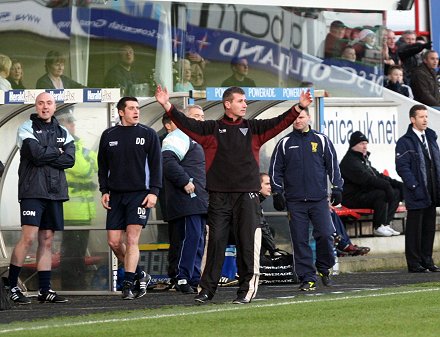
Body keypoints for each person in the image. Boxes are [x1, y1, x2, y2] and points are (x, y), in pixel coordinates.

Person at [155, 85, 312, 304]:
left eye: (245, 101)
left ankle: (245, 290)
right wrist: (166, 104)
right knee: (215, 243)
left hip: (247, 196)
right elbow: (186, 123)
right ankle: (207, 290)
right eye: (240, 101)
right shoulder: (211, 129)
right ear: (227, 104)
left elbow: (280, 121)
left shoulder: (254, 128)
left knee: (247, 244)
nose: (245, 104)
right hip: (218, 196)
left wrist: (299, 107)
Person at [8, 92, 75, 304]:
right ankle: (11, 287)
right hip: (32, 191)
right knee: (28, 238)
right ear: (36, 106)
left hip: (55, 192)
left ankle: (44, 291)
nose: (45, 107)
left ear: (55, 107)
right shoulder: (26, 128)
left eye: (49, 103)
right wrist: (57, 150)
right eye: (41, 103)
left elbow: (70, 159)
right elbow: (34, 154)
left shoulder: (64, 131)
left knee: (47, 240)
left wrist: (49, 153)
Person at [269, 107, 343, 291]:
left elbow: (333, 165)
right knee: (299, 240)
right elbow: (275, 171)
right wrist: (277, 193)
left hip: (318, 199)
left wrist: (337, 187)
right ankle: (307, 278)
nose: (298, 121)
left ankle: (324, 267)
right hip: (294, 202)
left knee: (326, 235)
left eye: (301, 117)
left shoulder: (321, 140)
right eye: (295, 118)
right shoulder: (284, 143)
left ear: (309, 117)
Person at [97, 96, 162, 299]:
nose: (136, 111)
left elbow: (156, 165)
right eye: (131, 108)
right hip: (116, 195)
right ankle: (140, 275)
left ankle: (127, 285)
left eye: (137, 108)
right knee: (114, 242)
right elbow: (103, 166)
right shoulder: (108, 135)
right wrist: (104, 190)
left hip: (139, 195)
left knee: (132, 239)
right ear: (121, 112)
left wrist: (154, 192)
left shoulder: (148, 134)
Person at [161, 106, 208, 294]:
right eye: (196, 116)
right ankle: (182, 277)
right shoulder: (179, 135)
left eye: (203, 116)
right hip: (186, 198)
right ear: (184, 119)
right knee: (189, 237)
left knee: (198, 239)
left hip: (200, 199)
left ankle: (194, 277)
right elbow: (167, 161)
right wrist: (185, 182)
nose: (201, 120)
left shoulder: (200, 139)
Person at [395, 104, 440, 273]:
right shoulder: (404, 142)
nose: (425, 120)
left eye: (426, 116)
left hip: (432, 191)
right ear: (412, 119)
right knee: (415, 230)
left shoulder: (431, 137)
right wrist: (414, 186)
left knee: (429, 228)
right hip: (416, 192)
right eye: (421, 117)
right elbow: (402, 168)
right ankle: (414, 263)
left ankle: (427, 260)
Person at [57, 112, 98, 290]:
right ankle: (72, 285)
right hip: (71, 210)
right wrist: (87, 162)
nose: (73, 125)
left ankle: (78, 283)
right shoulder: (62, 145)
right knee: (72, 252)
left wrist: (87, 162)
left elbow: (98, 163)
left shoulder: (77, 143)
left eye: (73, 122)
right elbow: (82, 168)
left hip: (84, 209)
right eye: (69, 122)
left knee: (79, 251)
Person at [339, 131, 403, 237]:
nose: (365, 147)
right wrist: (387, 186)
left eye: (366, 143)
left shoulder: (363, 160)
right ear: (353, 146)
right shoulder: (349, 161)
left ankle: (385, 224)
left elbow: (378, 175)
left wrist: (398, 184)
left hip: (363, 194)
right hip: (351, 198)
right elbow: (367, 180)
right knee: (381, 193)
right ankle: (378, 227)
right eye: (362, 144)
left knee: (396, 192)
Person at [259, 172, 282, 257]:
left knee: (270, 230)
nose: (270, 187)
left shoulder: (257, 201)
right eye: (267, 184)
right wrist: (274, 250)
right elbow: (261, 226)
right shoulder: (253, 202)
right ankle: (258, 260)